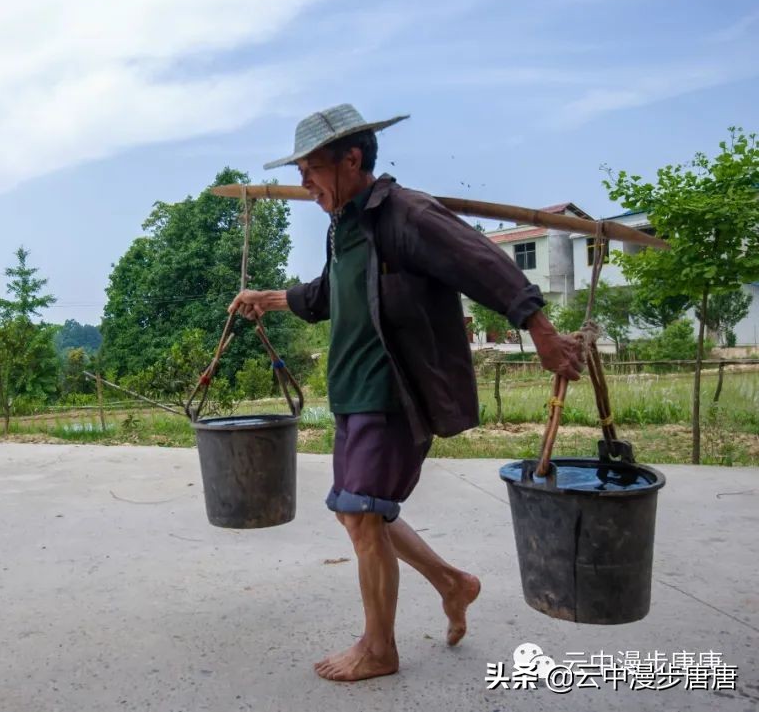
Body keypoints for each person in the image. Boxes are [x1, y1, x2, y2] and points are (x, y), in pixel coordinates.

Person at [228, 104, 582, 682]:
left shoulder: (407, 214)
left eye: (311, 169)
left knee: (363, 515)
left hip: (394, 390)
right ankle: (453, 583)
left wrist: (541, 332)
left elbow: (483, 262)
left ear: (352, 159)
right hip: (352, 389)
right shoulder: (345, 224)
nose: (304, 184)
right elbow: (327, 296)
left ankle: (379, 649)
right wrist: (266, 298)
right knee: (358, 514)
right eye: (299, 173)